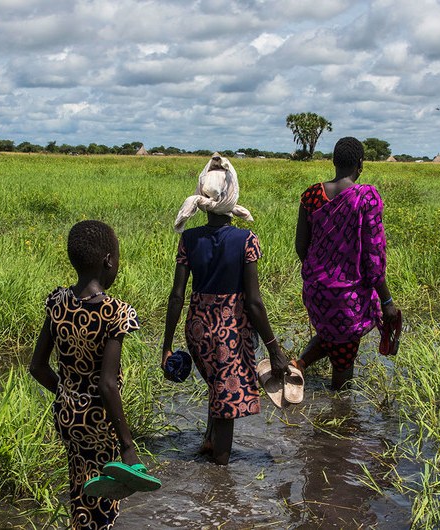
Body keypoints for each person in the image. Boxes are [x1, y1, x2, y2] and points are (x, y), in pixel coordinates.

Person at [162, 153, 288, 465]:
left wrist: (166, 346)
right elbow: (254, 303)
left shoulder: (189, 239)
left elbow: (176, 296)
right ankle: (220, 476)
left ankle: (208, 441)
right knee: (227, 400)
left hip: (198, 331)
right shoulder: (245, 240)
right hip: (229, 333)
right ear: (231, 195)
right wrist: (274, 349)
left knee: (217, 386)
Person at [30, 220, 150, 529]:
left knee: (81, 485)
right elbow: (107, 384)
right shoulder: (115, 312)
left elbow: (37, 367)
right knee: (106, 498)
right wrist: (127, 445)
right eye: (118, 260)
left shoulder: (57, 302)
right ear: (108, 261)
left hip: (68, 415)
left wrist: (69, 395)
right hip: (100, 419)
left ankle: (81, 523)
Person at [293, 137, 401, 390]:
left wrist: (321, 274)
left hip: (316, 290)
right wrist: (386, 301)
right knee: (343, 373)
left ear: (334, 161)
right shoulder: (366, 198)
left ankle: (297, 365)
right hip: (347, 296)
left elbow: (301, 247)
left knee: (332, 335)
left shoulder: (311, 195)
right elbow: (373, 257)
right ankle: (340, 419)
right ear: (360, 164)